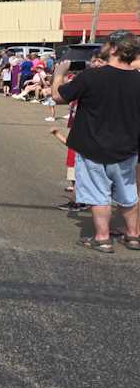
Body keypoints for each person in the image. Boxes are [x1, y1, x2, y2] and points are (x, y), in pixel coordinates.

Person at [51, 31, 140, 253]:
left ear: (114, 49)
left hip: (93, 146)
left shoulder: (92, 76)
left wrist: (59, 74)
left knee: (98, 193)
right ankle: (133, 235)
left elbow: (58, 97)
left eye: (107, 44)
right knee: (128, 193)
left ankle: (102, 238)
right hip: (128, 147)